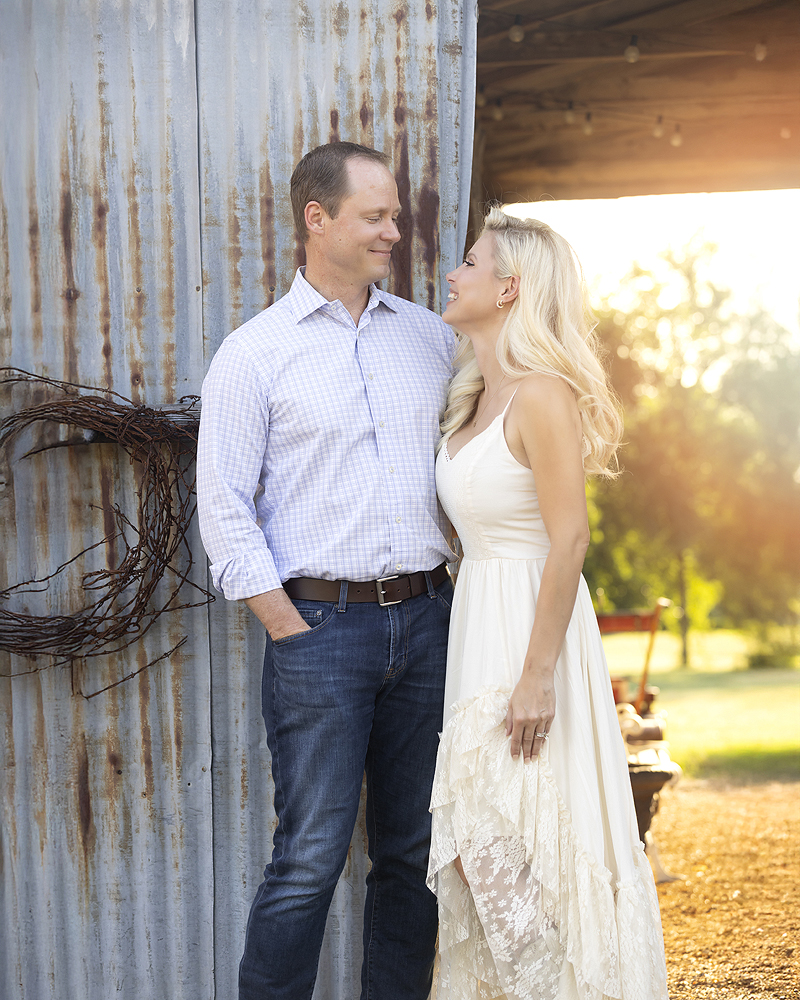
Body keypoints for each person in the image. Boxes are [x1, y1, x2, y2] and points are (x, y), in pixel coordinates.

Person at [197, 142, 456, 1000]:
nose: (395, 230)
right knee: (308, 857)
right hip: (320, 634)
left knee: (412, 856)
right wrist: (286, 625)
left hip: (428, 622)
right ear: (319, 219)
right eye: (376, 215)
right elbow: (225, 506)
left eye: (395, 215)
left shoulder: (428, 340)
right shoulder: (254, 353)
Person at [426, 208, 669, 999]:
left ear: (509, 289)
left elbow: (569, 539)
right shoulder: (470, 400)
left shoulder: (542, 396)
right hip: (478, 626)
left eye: (470, 261)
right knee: (482, 851)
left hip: (532, 636)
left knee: (520, 852)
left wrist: (536, 676)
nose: (453, 273)